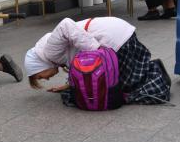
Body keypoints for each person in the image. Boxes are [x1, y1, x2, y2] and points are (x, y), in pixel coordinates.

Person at [24, 17, 171, 105]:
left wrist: (97, 50)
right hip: (119, 34)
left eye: (40, 76)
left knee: (117, 91)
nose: (46, 78)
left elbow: (65, 25)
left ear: (39, 65)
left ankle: (157, 78)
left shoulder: (49, 52)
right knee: (115, 85)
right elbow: (74, 59)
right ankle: (153, 71)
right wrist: (67, 85)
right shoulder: (51, 53)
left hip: (115, 39)